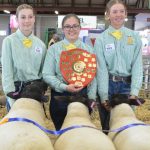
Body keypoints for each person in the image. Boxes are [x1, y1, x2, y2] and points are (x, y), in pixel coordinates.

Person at [94, 0, 143, 132]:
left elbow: (137, 65)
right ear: (108, 15)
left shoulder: (134, 37)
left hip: (127, 87)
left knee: (127, 127)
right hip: (107, 85)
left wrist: (134, 92)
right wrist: (103, 95)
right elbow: (101, 69)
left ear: (126, 14)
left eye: (122, 11)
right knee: (107, 127)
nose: (118, 15)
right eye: (114, 11)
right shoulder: (101, 39)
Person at [42, 14, 97, 130]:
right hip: (60, 97)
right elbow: (47, 74)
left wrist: (91, 98)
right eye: (67, 26)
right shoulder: (54, 49)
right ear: (63, 29)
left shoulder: (89, 49)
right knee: (62, 133)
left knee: (81, 133)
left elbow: (93, 76)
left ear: (80, 28)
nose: (71, 29)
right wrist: (64, 87)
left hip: (83, 97)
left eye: (75, 26)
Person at [1, 4, 47, 111]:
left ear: (34, 19)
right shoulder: (9, 41)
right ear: (17, 19)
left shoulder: (41, 45)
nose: (27, 21)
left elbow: (43, 71)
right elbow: (7, 71)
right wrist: (10, 95)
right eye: (23, 17)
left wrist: (42, 89)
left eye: (30, 17)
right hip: (16, 92)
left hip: (35, 92)